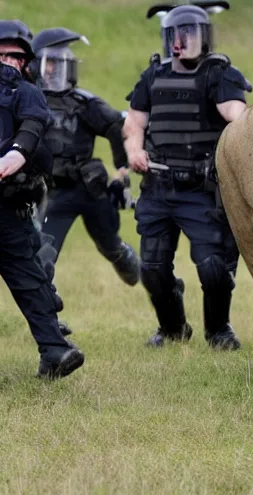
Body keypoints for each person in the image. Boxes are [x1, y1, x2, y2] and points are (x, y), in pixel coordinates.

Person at [123, 4, 251, 349]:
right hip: (158, 187)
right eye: (177, 35)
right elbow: (134, 122)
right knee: (151, 267)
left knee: (213, 266)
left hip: (202, 190)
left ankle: (219, 330)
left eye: (191, 34)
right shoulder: (152, 75)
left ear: (204, 37)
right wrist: (135, 151)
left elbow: (237, 116)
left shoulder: (220, 74)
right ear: (168, 38)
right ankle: (173, 329)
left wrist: (242, 125)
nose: (183, 41)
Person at [0, 20, 84, 378]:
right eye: (1, 54)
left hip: (8, 205)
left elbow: (31, 131)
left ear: (26, 62)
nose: (7, 61)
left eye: (14, 56)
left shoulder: (28, 93)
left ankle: (55, 351)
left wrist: (13, 157)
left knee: (29, 278)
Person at [30, 28, 140, 298]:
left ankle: (154, 279)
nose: (53, 71)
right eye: (48, 63)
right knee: (42, 258)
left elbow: (118, 127)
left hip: (91, 191)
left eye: (59, 64)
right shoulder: (30, 103)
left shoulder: (85, 104)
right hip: (53, 195)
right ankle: (50, 317)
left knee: (112, 246)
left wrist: (122, 170)